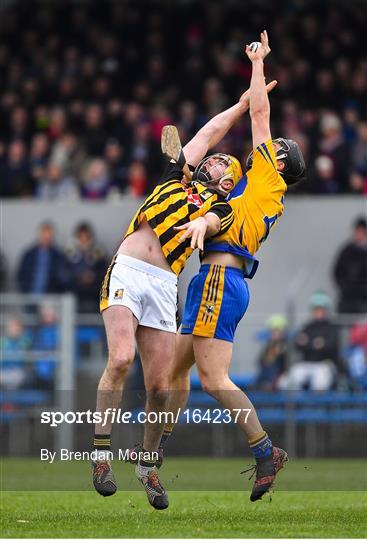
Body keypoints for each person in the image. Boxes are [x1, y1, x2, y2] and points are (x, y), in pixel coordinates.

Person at [92, 80, 279, 509]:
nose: (210, 160)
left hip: (164, 286)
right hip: (129, 268)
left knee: (161, 388)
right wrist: (239, 106)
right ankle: (101, 455)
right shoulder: (173, 177)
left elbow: (214, 222)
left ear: (228, 181)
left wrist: (202, 223)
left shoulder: (223, 207)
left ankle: (147, 465)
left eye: (219, 164)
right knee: (120, 359)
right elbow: (209, 133)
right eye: (208, 160)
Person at [137, 31, 306, 503]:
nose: (269, 146)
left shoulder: (268, 177)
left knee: (213, 379)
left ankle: (265, 452)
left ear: (281, 161)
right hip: (212, 279)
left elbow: (258, 116)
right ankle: (151, 460)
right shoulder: (253, 191)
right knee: (172, 376)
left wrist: (257, 65)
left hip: (219, 278)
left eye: (278, 146)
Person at [279, 291, 340, 391]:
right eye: (316, 309)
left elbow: (330, 346)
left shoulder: (332, 327)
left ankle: (317, 406)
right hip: (306, 363)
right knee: (288, 381)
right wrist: (315, 344)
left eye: (321, 309)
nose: (318, 312)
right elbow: (297, 343)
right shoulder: (308, 326)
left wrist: (309, 343)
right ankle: (295, 405)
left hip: (324, 364)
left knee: (319, 383)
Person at [17, 222, 71, 294]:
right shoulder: (29, 255)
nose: (46, 238)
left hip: (50, 300)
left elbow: (63, 278)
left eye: (49, 235)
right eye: (44, 234)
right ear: (39, 235)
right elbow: (21, 275)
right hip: (29, 298)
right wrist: (25, 291)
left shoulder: (59, 256)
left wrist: (54, 294)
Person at [65, 222, 107, 312]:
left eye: (86, 237)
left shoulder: (98, 252)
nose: (84, 240)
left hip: (94, 295)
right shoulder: (69, 252)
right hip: (74, 294)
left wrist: (93, 277)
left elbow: (104, 273)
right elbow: (64, 274)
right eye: (81, 237)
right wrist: (78, 277)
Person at [333, 217, 367, 314]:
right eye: (357, 231)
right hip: (347, 298)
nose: (359, 234)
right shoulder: (346, 251)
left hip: (364, 299)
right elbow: (337, 273)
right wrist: (345, 288)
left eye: (362, 231)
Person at [255, 314, 288, 390]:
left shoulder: (286, 346)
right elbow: (261, 361)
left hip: (280, 376)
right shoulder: (269, 345)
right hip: (266, 374)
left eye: (277, 331)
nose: (274, 334)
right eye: (272, 331)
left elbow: (284, 366)